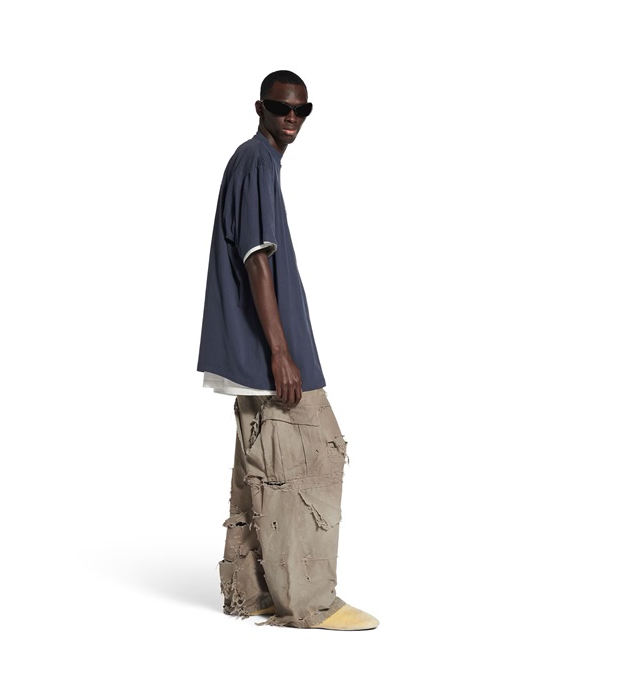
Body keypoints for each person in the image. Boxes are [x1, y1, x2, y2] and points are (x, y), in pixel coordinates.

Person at [197, 70, 378, 630]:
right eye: (281, 108)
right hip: (265, 354)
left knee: (259, 470)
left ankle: (250, 594)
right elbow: (257, 258)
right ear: (261, 108)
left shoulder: (256, 162)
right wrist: (280, 352)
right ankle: (310, 603)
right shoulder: (256, 161)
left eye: (301, 110)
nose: (291, 118)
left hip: (250, 355)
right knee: (310, 461)